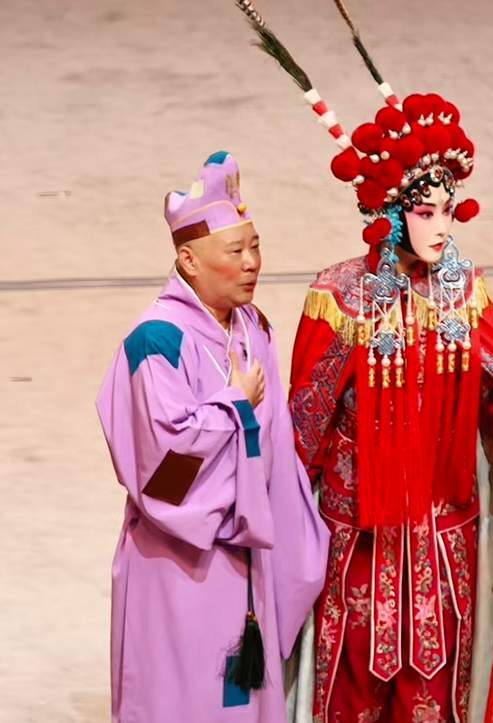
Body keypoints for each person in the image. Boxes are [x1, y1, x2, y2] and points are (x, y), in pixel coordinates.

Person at [235, 2, 493, 721]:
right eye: (426, 212)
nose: (442, 226)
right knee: (350, 689)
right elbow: (303, 427)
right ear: (392, 214)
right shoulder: (339, 297)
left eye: (448, 210)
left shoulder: (465, 290)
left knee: (434, 692)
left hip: (443, 537)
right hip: (359, 543)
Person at [96, 150, 330, 723]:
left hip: (248, 560)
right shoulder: (157, 343)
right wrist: (232, 407)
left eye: (255, 247)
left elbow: (277, 451)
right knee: (182, 700)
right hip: (180, 565)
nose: (251, 264)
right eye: (235, 251)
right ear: (189, 260)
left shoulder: (255, 329)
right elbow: (163, 474)